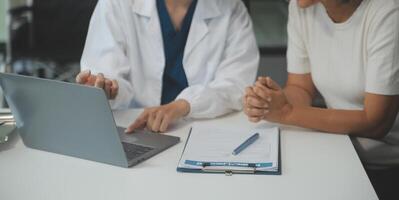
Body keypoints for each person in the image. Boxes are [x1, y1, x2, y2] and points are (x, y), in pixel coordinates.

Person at [243, 0, 399, 199]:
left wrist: (286, 112)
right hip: (339, 149)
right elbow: (301, 88)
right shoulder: (302, 8)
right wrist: (272, 101)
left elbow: (376, 122)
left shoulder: (388, 11)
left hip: (384, 168)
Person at [76, 0, 259, 133]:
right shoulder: (116, 4)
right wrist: (108, 89)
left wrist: (183, 105)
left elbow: (236, 84)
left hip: (200, 128)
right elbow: (106, 73)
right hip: (132, 130)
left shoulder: (231, 8)